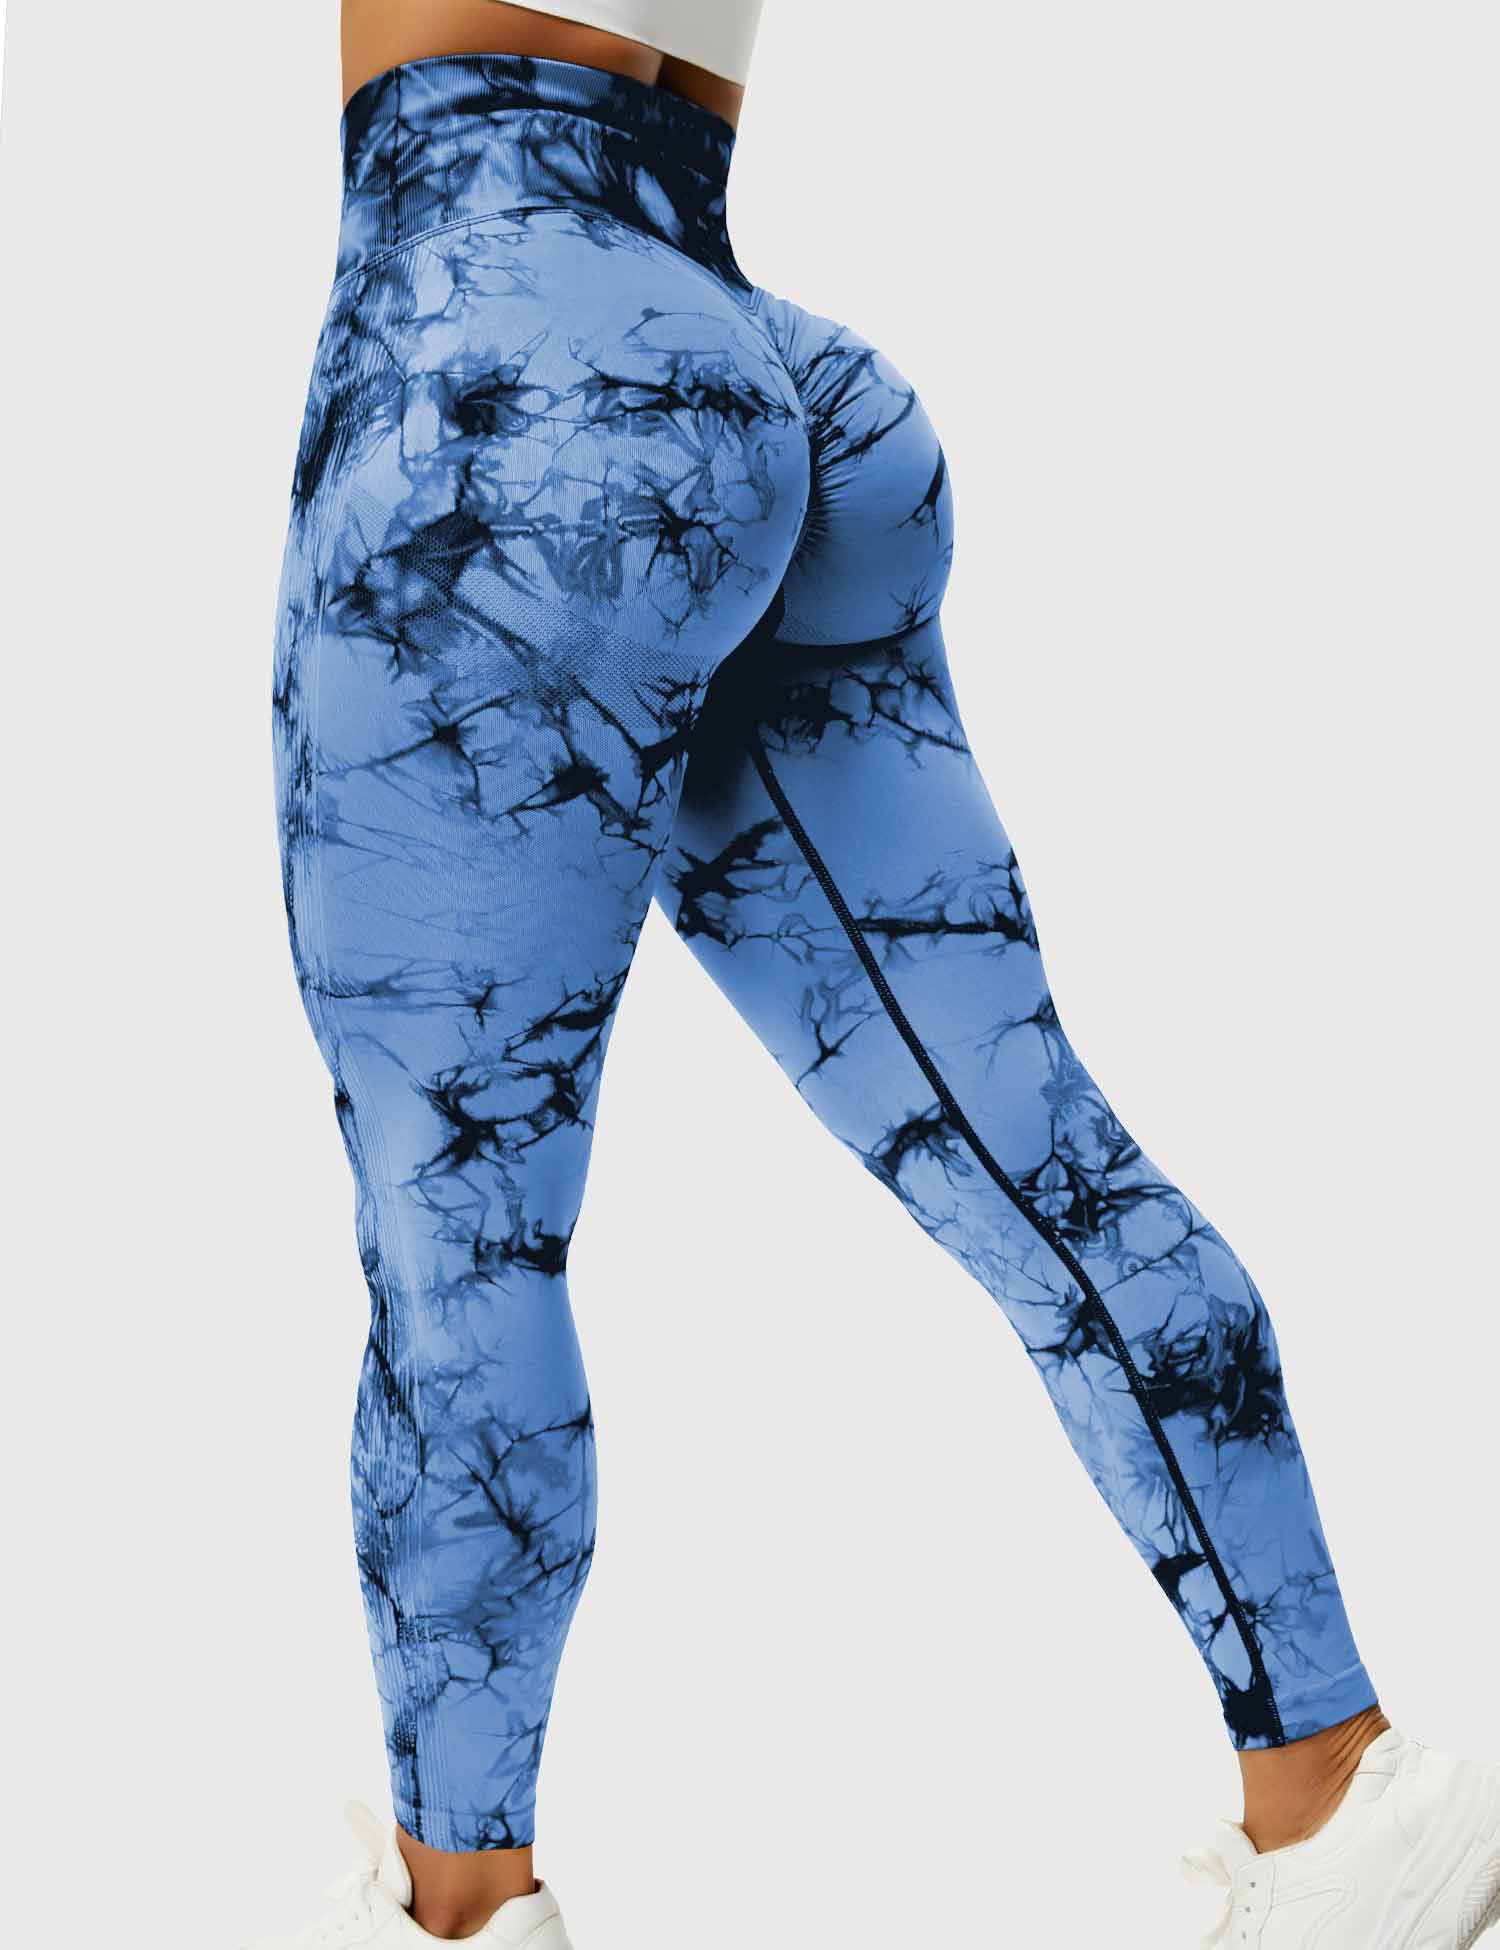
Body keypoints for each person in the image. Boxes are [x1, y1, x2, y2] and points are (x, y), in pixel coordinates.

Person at [260, 3, 1500, 1945]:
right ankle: (1343, 1801)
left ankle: (459, 1911)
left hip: (492, 391)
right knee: (1033, 1138)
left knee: (457, 1227)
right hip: (761, 379)